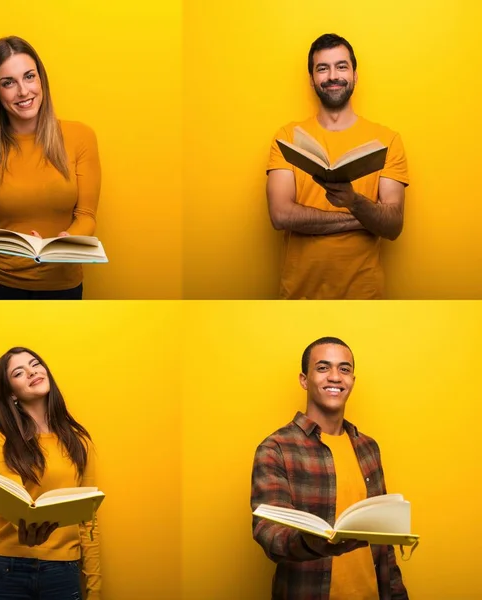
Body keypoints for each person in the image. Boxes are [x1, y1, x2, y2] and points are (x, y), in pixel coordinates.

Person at [251, 337, 408, 600]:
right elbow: (268, 533)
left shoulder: (369, 448)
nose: (335, 377)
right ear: (304, 380)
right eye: (323, 368)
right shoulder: (275, 448)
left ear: (352, 381)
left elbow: (384, 543)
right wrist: (313, 543)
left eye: (344, 369)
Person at [266, 34, 409, 299]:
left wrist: (354, 201)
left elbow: (392, 226)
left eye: (341, 66)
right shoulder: (287, 138)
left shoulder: (388, 141)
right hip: (298, 296)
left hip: (365, 296)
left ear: (355, 74)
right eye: (323, 68)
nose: (333, 75)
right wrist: (362, 219)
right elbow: (281, 215)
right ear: (312, 79)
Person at [0, 36, 101, 300]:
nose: (23, 91)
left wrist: (63, 240)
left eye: (29, 77)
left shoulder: (81, 137)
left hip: (62, 284)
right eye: (8, 83)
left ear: (41, 79)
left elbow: (87, 216)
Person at [0, 347, 101, 600]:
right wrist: (25, 524)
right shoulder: (0, 442)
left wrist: (95, 587)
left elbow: (89, 520)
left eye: (35, 364)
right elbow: (14, 498)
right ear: (11, 393)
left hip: (63, 569)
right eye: (19, 372)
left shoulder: (80, 443)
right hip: (7, 567)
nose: (32, 371)